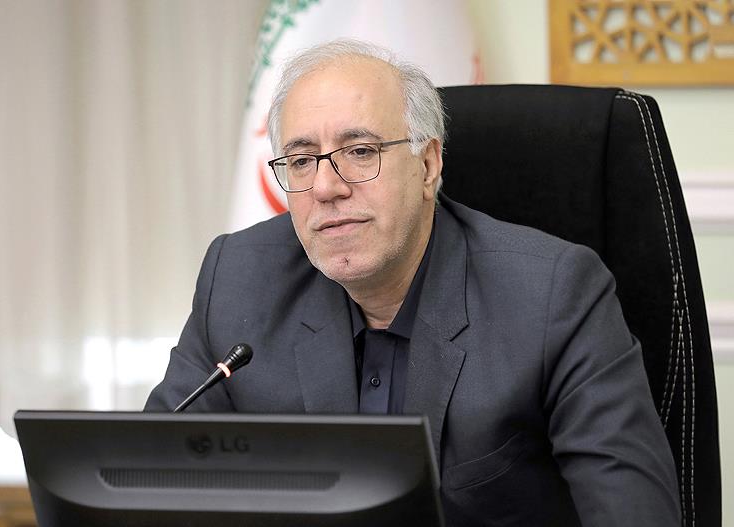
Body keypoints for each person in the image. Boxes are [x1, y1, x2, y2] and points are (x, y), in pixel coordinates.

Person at [145, 39, 680, 525]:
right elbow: (150, 484)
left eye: (360, 152)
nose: (325, 187)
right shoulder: (237, 279)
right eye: (302, 161)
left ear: (427, 165)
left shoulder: (553, 296)